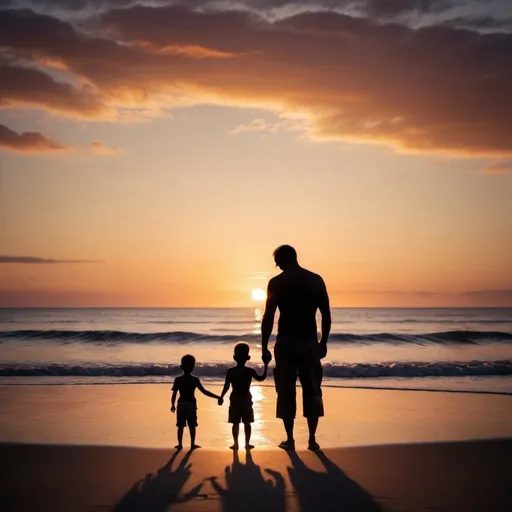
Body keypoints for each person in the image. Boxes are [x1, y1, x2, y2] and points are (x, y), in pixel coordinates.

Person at [261, 245, 331, 451]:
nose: (278, 266)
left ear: (283, 260)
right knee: (312, 390)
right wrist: (323, 341)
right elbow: (326, 314)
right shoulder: (315, 280)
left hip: (286, 343)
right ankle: (311, 439)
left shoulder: (277, 283)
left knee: (285, 390)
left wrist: (264, 345)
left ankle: (290, 439)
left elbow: (269, 316)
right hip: (309, 342)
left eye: (278, 262)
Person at [218, 343, 268, 450]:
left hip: (235, 398)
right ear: (248, 358)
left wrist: (221, 396)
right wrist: (266, 365)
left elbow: (226, 386)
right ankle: (246, 443)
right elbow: (261, 378)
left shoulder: (231, 371)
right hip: (246, 398)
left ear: (234, 357)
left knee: (235, 422)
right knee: (247, 422)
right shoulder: (249, 371)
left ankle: (236, 443)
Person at [171, 354, 220, 450]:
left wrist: (172, 405)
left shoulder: (178, 380)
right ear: (193, 367)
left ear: (181, 367)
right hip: (191, 405)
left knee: (180, 426)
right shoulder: (194, 379)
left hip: (181, 404)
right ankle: (192, 444)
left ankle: (180, 445)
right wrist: (217, 397)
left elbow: (174, 394)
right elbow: (204, 392)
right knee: (192, 425)